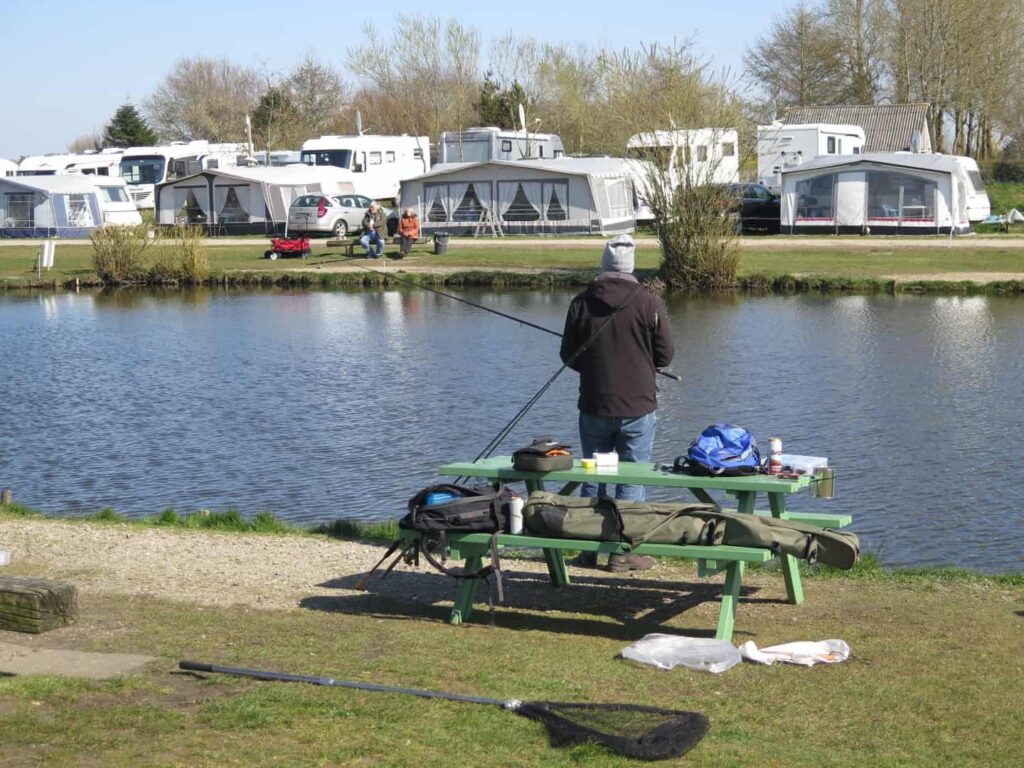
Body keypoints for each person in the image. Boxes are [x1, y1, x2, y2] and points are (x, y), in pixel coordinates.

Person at [559, 234, 675, 572]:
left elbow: (568, 355)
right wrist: (644, 363)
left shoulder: (581, 303)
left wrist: (593, 369)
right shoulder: (649, 303)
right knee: (631, 477)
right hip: (638, 406)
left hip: (594, 404)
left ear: (604, 263)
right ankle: (623, 551)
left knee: (595, 475)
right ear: (631, 266)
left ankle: (587, 548)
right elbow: (666, 355)